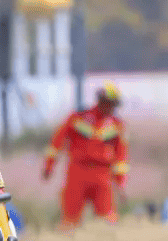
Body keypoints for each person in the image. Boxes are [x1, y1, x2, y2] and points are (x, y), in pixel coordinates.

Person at [42, 81, 129, 229]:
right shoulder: (78, 118)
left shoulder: (116, 125)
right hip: (77, 172)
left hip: (102, 175)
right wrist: (49, 167)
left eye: (114, 104)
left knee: (108, 220)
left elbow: (121, 157)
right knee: (70, 219)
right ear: (101, 100)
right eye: (109, 103)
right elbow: (57, 142)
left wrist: (120, 183)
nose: (111, 108)